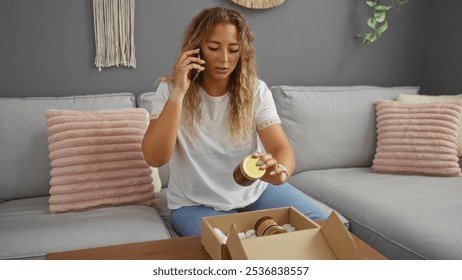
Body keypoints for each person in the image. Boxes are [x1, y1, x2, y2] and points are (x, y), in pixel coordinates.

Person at [142, 7, 327, 236]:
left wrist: (280, 173)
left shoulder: (255, 90)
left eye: (233, 49)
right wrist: (180, 91)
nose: (224, 59)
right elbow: (154, 157)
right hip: (195, 205)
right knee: (237, 248)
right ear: (196, 49)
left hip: (256, 193)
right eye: (213, 48)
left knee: (324, 227)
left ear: (243, 52)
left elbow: (281, 148)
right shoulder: (169, 90)